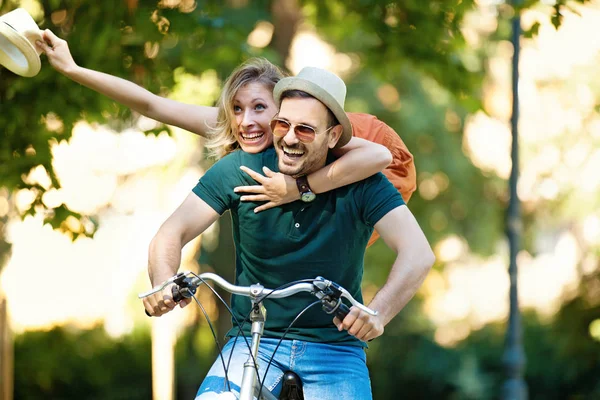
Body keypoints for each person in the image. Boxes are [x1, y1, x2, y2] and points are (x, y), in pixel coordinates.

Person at [142, 66, 435, 399]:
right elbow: (171, 233)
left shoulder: (364, 183)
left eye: (306, 130)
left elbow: (418, 254)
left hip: (336, 350)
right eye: (283, 124)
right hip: (252, 343)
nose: (290, 138)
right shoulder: (241, 168)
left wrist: (377, 312)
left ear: (333, 137)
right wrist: (163, 281)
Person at [35, 30, 417, 247]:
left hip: (361, 176)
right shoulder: (240, 128)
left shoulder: (314, 134)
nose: (246, 122)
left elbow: (380, 157)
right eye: (236, 109)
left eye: (259, 109)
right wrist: (73, 69)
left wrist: (298, 186)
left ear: (281, 110)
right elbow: (151, 105)